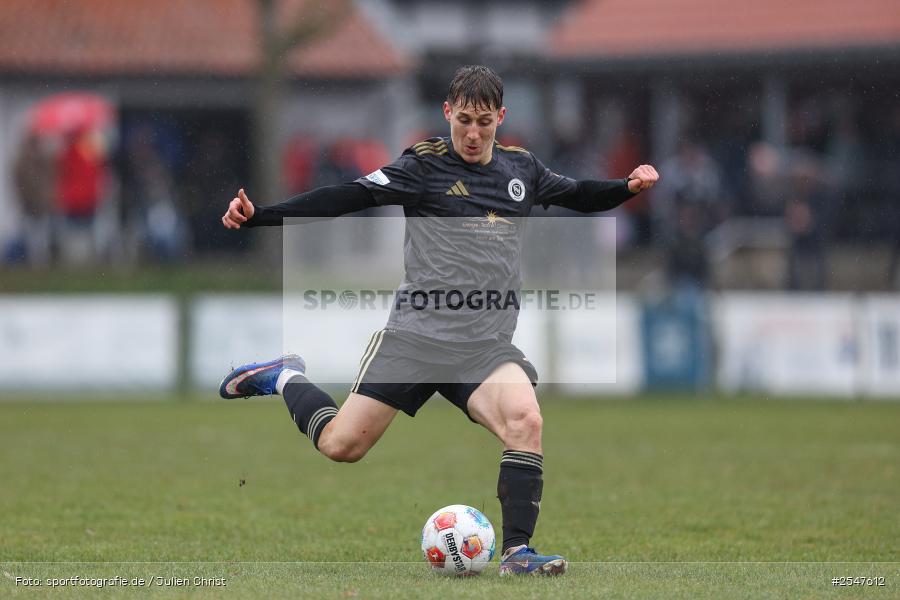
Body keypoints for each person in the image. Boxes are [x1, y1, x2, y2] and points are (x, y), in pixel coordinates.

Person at [219, 65, 658, 576]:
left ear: (501, 118)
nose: (473, 133)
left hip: (483, 344)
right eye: (465, 120)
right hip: (416, 337)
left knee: (526, 420)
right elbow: (349, 196)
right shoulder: (422, 167)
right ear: (447, 112)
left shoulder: (522, 170)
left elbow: (579, 194)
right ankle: (284, 375)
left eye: (485, 122)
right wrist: (263, 215)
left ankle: (517, 554)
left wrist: (626, 187)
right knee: (342, 445)